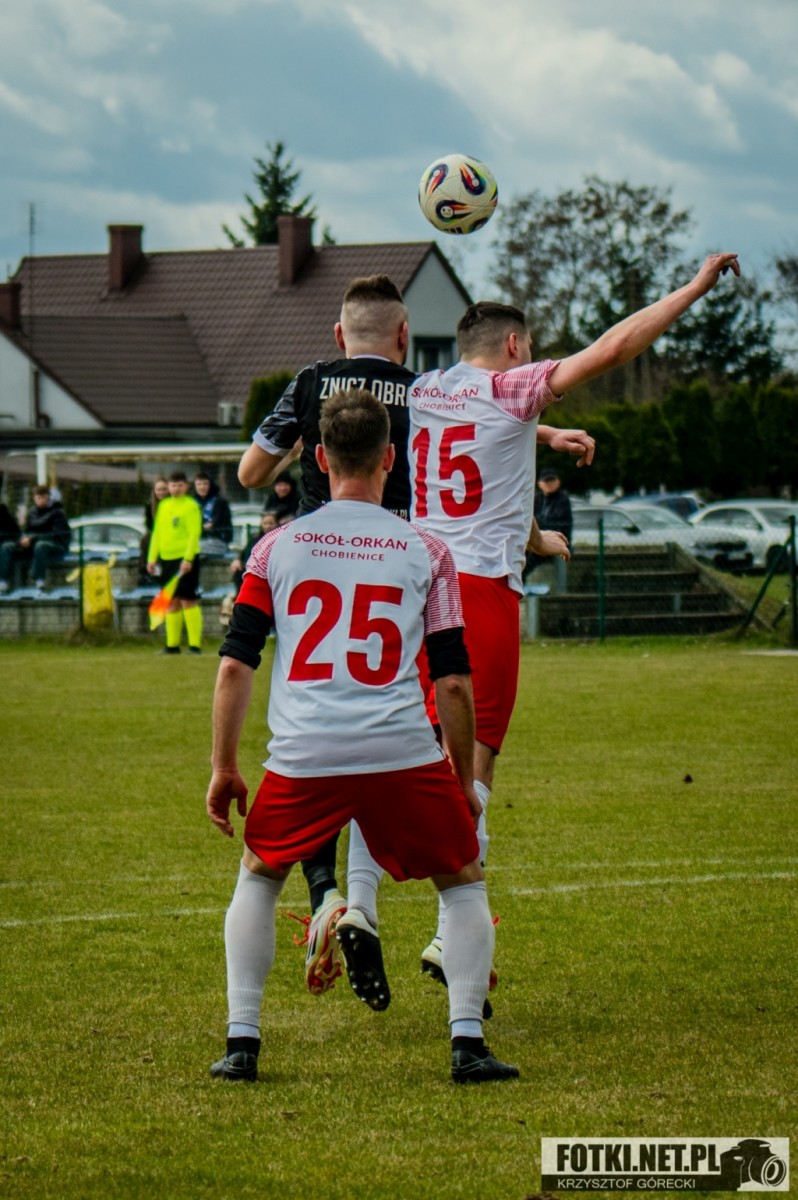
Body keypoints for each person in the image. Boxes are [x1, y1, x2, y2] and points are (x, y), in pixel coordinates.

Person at [346, 252, 741, 992]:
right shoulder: (512, 388)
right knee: (473, 765)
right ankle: (451, 936)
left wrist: (540, 482)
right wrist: (692, 287)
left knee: (396, 751)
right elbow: (614, 348)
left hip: (414, 585)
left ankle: (360, 905)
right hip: (478, 596)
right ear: (515, 345)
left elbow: (485, 454)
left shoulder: (426, 389)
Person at [237, 274, 597, 997]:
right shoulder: (417, 390)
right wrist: (543, 436)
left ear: (338, 334)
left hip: (312, 579)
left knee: (319, 741)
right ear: (404, 336)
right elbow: (483, 435)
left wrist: (302, 447)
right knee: (423, 749)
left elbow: (250, 472)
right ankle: (448, 941)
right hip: (409, 576)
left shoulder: (309, 384)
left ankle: (335, 899)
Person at [206, 388, 518, 1085]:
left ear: (319, 458)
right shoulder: (427, 550)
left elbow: (234, 665)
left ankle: (242, 1043)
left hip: (306, 752)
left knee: (259, 877)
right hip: (399, 750)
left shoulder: (274, 547)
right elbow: (453, 681)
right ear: (391, 459)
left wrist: (224, 766)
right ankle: (467, 1044)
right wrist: (460, 780)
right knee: (463, 882)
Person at [146, 471, 203, 654]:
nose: (176, 488)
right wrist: (151, 558)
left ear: (186, 486)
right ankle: (172, 645)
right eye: (173, 485)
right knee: (171, 601)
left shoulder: (191, 506)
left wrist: (188, 558)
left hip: (185, 559)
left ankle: (194, 645)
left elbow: (194, 534)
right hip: (167, 559)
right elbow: (157, 533)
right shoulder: (163, 505)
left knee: (188, 600)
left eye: (179, 485)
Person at [0, 485, 71, 593]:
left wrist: (32, 539)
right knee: (7, 546)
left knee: (41, 546)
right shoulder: (32, 512)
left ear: (48, 497)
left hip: (55, 544)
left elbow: (57, 534)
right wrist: (23, 539)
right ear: (34, 498)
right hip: (33, 543)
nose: (40, 500)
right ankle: (3, 582)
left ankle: (39, 581)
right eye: (38, 498)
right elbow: (26, 530)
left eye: (43, 497)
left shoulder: (57, 513)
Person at [523, 468, 573, 581]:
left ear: (558, 482)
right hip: (539, 535)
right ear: (539, 484)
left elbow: (554, 521)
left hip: (556, 539)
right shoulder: (538, 498)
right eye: (546, 481)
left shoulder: (562, 499)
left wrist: (537, 525)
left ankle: (522, 577)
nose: (550, 484)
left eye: (552, 480)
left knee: (532, 557)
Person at [138, 477, 169, 585]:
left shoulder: (173, 504)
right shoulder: (149, 505)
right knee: (146, 540)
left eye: (164, 489)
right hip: (156, 537)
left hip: (169, 537)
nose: (161, 492)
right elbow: (149, 525)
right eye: (158, 490)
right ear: (154, 491)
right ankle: (147, 573)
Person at [194, 472, 234, 555]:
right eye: (199, 484)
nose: (202, 487)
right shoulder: (195, 502)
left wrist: (197, 529)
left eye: (205, 484)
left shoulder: (219, 502)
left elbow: (212, 524)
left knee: (192, 548)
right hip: (200, 540)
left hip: (218, 540)